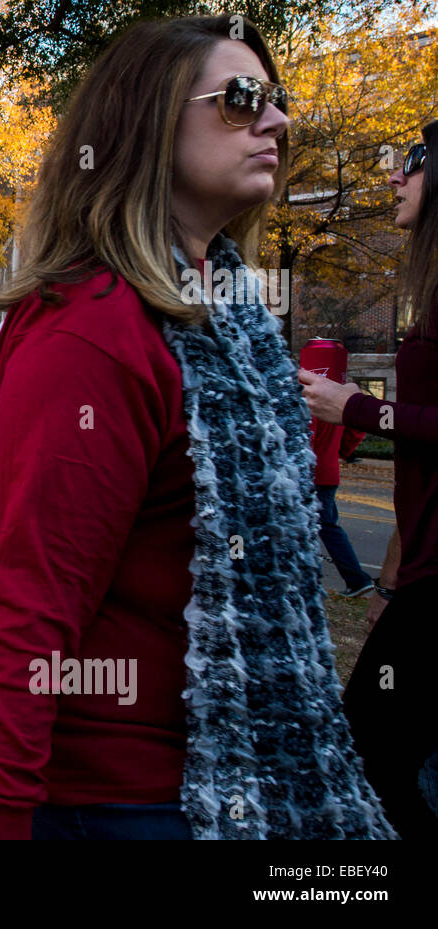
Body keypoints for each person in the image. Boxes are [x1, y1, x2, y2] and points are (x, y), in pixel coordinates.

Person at [0, 15, 394, 840]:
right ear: (146, 121)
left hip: (240, 778)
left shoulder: (232, 317)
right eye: (241, 98)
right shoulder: (94, 331)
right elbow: (22, 606)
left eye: (276, 100)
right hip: (124, 801)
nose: (278, 122)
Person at [301, 120, 438, 838]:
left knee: (365, 753)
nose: (393, 175)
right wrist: (388, 585)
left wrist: (356, 406)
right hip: (421, 574)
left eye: (412, 163)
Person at [311, 415, 372, 596]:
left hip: (312, 473)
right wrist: (343, 451)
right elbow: (357, 428)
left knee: (325, 527)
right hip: (328, 470)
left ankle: (357, 579)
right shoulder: (338, 389)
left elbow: (306, 435)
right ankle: (356, 579)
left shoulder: (308, 392)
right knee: (326, 524)